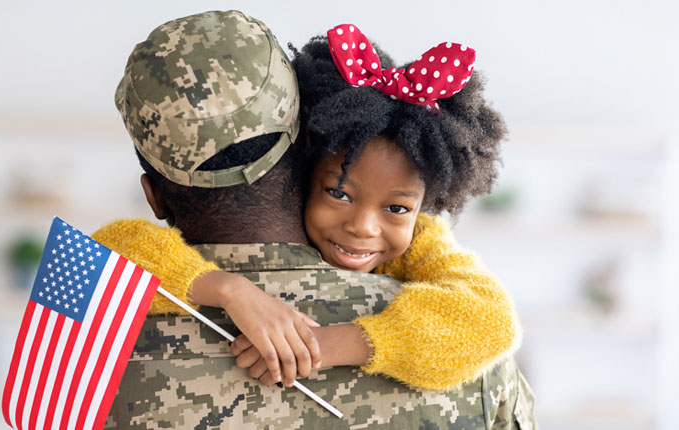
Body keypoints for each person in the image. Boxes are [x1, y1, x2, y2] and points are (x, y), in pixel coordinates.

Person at [99, 10, 536, 429]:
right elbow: (109, 250)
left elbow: (492, 319)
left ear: (153, 196)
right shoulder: (483, 373)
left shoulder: (94, 333)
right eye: (341, 193)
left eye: (397, 208)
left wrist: (328, 345)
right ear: (306, 157)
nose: (364, 227)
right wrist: (232, 291)